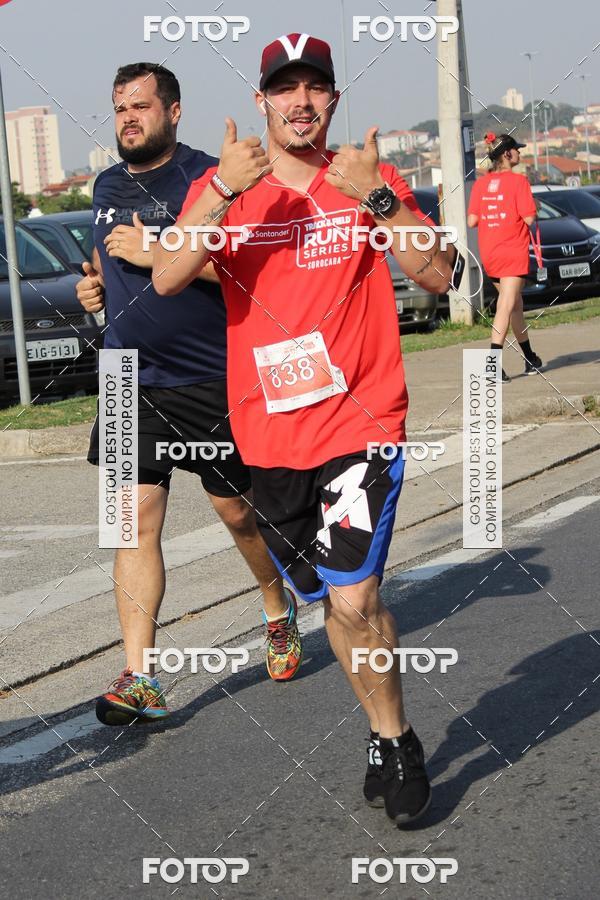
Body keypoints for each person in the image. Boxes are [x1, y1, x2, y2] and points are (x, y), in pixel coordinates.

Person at [153, 34, 458, 824]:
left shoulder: (363, 178)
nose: (300, 101)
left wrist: (379, 199)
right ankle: (380, 731)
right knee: (325, 598)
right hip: (268, 441)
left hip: (361, 425)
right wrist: (222, 189)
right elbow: (167, 275)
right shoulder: (229, 187)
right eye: (284, 88)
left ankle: (396, 740)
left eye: (314, 87)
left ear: (332, 100)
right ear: (262, 102)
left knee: (356, 598)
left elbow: (440, 274)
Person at [77, 62, 302, 727]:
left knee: (238, 514)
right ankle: (140, 676)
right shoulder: (106, 184)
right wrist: (95, 288)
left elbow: (245, 273)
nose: (128, 118)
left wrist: (158, 250)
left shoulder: (209, 178)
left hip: (209, 376)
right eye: (120, 107)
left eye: (140, 106)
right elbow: (104, 264)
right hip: (126, 377)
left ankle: (276, 605)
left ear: (173, 111)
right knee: (131, 522)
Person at [468, 132, 543, 382]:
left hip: (490, 253)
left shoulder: (481, 184)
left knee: (514, 305)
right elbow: (529, 218)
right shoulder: (519, 182)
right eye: (517, 150)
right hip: (512, 251)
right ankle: (492, 365)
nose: (519, 153)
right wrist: (535, 205)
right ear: (508, 154)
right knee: (506, 305)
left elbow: (472, 220)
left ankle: (530, 358)